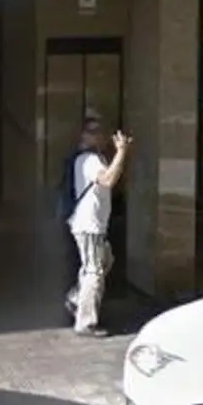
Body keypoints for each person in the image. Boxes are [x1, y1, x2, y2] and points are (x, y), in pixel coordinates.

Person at [67, 118, 131, 337]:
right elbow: (108, 180)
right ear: (84, 136)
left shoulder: (93, 158)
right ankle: (85, 322)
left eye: (99, 131)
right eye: (93, 132)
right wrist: (121, 152)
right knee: (94, 271)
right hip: (90, 225)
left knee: (104, 259)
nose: (99, 136)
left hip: (93, 224)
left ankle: (76, 298)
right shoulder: (89, 160)